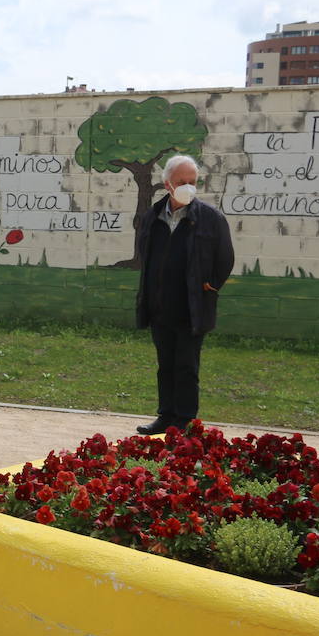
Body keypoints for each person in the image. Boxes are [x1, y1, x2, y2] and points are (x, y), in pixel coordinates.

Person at [133, 155, 235, 435]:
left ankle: (185, 420)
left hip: (192, 307)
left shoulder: (211, 219)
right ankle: (165, 416)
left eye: (193, 182)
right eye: (182, 182)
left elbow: (225, 259)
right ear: (168, 184)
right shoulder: (153, 216)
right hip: (159, 305)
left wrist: (209, 286)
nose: (188, 187)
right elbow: (146, 254)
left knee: (186, 366)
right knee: (165, 365)